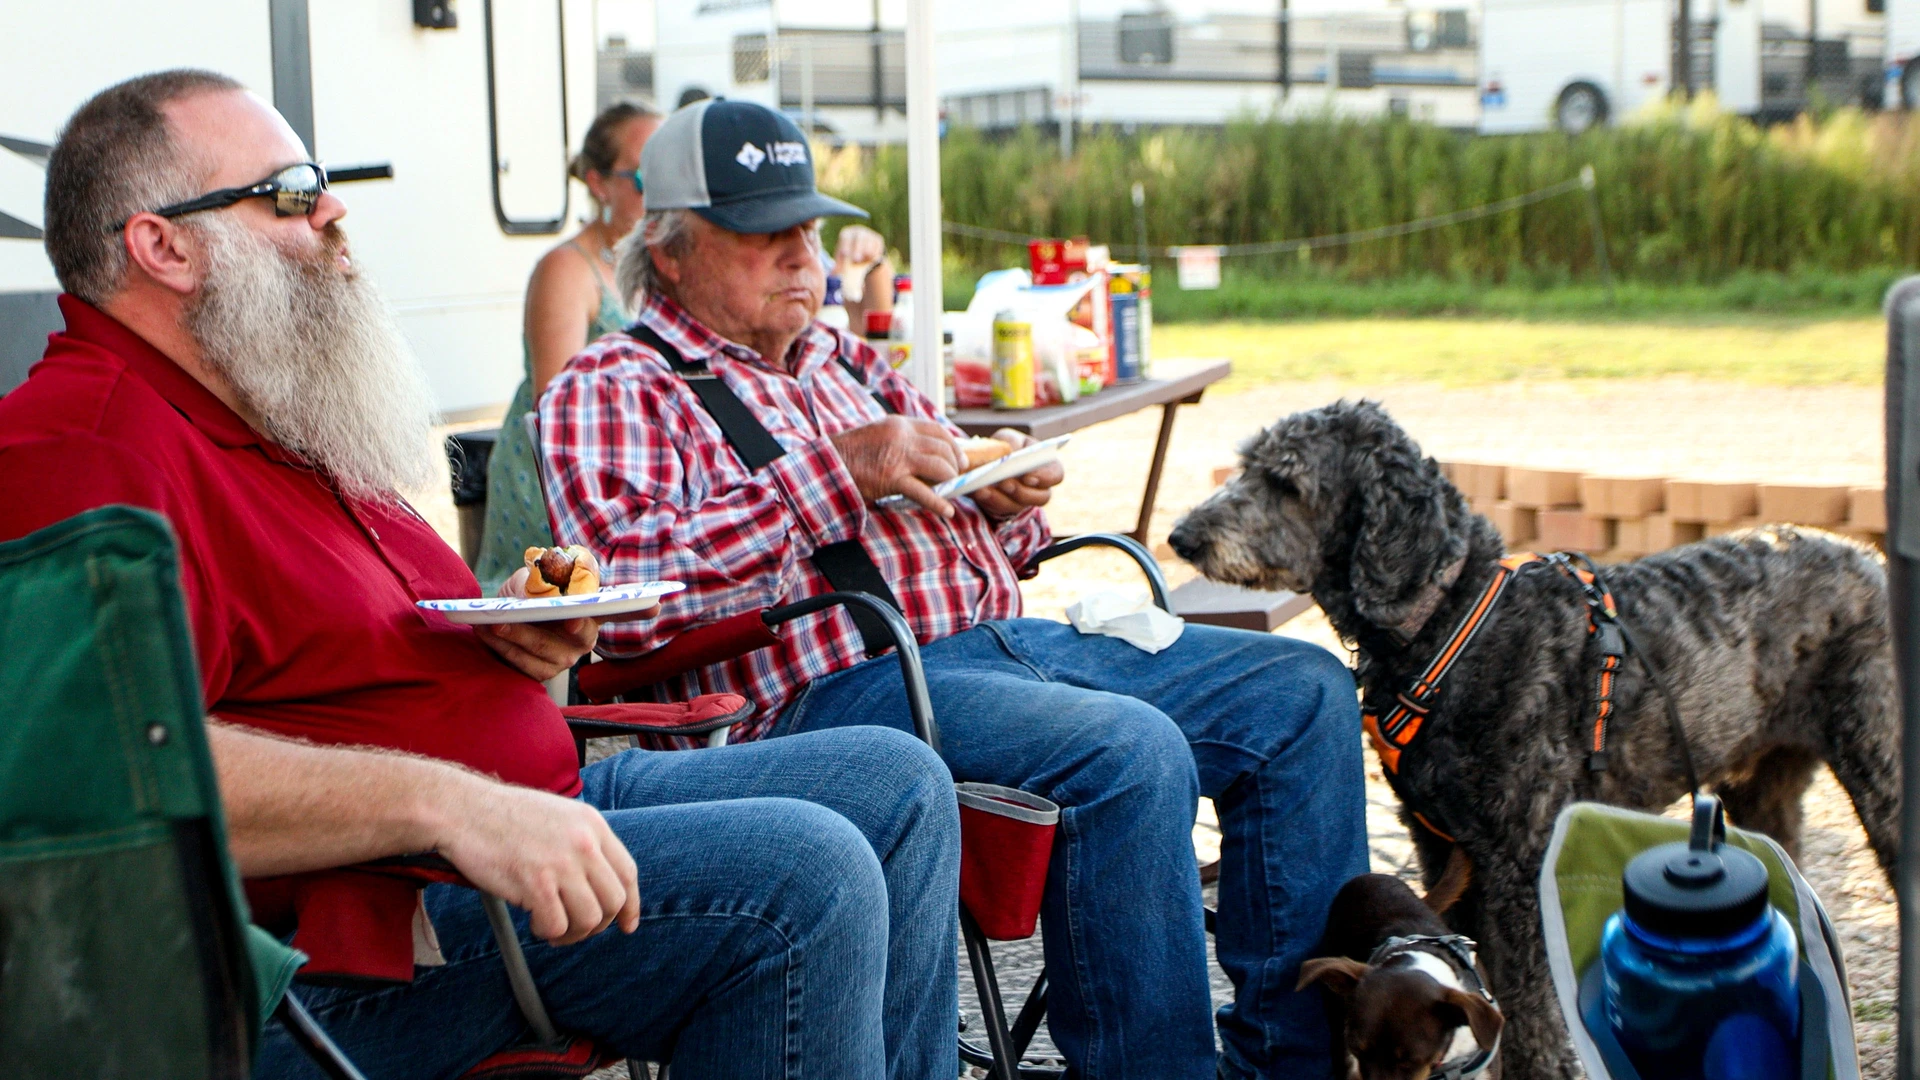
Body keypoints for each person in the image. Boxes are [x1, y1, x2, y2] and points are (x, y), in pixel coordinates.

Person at [2, 70, 960, 1080]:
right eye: (290, 192)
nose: (333, 213)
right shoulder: (85, 452)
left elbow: (350, 665)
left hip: (525, 804)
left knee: (894, 783)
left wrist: (519, 634)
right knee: (803, 879)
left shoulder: (260, 411)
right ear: (164, 245)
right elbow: (103, 779)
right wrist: (452, 805)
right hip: (358, 944)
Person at [539, 98, 1368, 1080]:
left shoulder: (851, 363)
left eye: (809, 227)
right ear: (670, 250)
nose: (804, 254)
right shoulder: (612, 384)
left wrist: (1005, 502)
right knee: (1128, 749)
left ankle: (1289, 1063)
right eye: (767, 235)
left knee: (1304, 693)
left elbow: (996, 540)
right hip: (831, 700)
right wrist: (836, 472)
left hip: (1002, 650)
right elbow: (621, 595)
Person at [474, 100, 661, 591]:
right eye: (646, 177)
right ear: (599, 183)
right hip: (561, 478)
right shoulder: (568, 269)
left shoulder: (660, 264)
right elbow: (555, 408)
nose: (664, 192)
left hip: (633, 471)